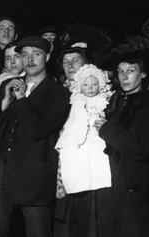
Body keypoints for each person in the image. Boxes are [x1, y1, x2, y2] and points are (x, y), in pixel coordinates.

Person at [0, 36, 69, 237]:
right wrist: (2, 104)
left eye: (36, 54)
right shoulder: (10, 85)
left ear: (47, 56)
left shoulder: (58, 93)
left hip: (35, 175)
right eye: (25, 55)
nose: (30, 60)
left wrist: (20, 100)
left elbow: (38, 129)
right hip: (2, 170)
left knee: (37, 231)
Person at [94, 46, 149, 236]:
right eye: (121, 72)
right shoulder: (115, 100)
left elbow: (143, 147)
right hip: (112, 187)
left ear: (143, 74)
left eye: (130, 71)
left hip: (137, 187)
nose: (124, 77)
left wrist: (106, 129)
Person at [54, 64, 112, 236]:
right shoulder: (76, 102)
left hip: (97, 141)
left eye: (94, 84)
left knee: (98, 168)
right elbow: (73, 122)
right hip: (78, 142)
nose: (90, 88)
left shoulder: (104, 101)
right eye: (86, 85)